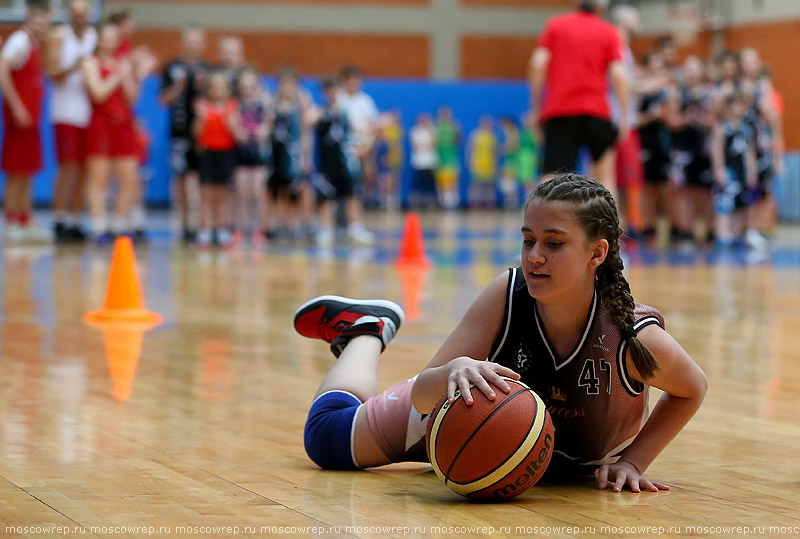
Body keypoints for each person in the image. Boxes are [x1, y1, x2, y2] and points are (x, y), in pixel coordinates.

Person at [294, 174, 708, 493]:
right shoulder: (508, 294)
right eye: (528, 240)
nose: (535, 256)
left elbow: (692, 387)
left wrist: (634, 462)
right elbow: (424, 394)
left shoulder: (631, 336)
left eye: (554, 243)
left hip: (523, 453)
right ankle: (367, 331)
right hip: (465, 419)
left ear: (596, 253)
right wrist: (454, 369)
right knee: (325, 438)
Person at [529, 0, 628, 202]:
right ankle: (608, 232)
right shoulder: (609, 31)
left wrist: (536, 108)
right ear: (601, 7)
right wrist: (625, 118)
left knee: (553, 178)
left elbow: (537, 64)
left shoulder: (556, 25)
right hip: (597, 112)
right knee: (604, 177)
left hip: (560, 111)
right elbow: (619, 76)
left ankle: (547, 231)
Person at [82, 22, 143, 245]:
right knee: (100, 177)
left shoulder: (123, 63)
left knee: (130, 177)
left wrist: (133, 74)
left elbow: (132, 98)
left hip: (124, 124)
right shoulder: (90, 63)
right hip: (101, 123)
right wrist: (118, 74)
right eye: (106, 37)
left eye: (114, 37)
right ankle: (98, 226)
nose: (111, 41)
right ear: (98, 39)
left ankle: (118, 223)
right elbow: (98, 93)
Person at [0, 0, 51, 244]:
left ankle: (23, 218)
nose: (42, 24)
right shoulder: (19, 41)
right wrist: (17, 105)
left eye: (45, 20)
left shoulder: (34, 44)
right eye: (38, 20)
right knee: (16, 171)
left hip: (31, 118)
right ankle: (10, 221)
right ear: (29, 19)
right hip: (20, 118)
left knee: (27, 170)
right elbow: (2, 68)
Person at [46, 0, 97, 242]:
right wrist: (75, 66)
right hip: (65, 112)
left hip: (89, 113)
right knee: (67, 167)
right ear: (69, 14)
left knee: (86, 168)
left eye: (84, 13)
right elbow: (52, 74)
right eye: (76, 13)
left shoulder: (93, 37)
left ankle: (75, 220)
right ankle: (58, 219)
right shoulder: (59, 35)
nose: (80, 17)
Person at [160, 27, 209, 243]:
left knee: (198, 180)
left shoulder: (207, 69)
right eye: (189, 40)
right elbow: (163, 100)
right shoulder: (172, 67)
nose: (193, 45)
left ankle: (197, 224)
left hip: (202, 135)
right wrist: (177, 87)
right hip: (178, 133)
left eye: (197, 41)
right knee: (180, 179)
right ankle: (182, 224)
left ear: (203, 44)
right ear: (182, 43)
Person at [313, 76, 365, 247]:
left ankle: (355, 228)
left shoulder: (345, 113)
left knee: (351, 195)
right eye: (329, 90)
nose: (333, 93)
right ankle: (325, 228)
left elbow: (356, 131)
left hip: (345, 161)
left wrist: (360, 147)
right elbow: (308, 119)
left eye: (336, 89)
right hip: (327, 163)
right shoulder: (320, 112)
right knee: (325, 197)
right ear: (324, 92)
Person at [193, 71, 240, 247]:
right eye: (215, 87)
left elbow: (237, 135)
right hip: (208, 153)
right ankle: (205, 229)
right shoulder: (203, 106)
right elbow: (196, 134)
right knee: (206, 194)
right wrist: (201, 118)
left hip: (225, 153)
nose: (219, 90)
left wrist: (231, 123)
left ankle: (222, 229)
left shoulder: (232, 106)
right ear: (210, 90)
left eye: (222, 87)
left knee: (222, 195)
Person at [232, 67, 271, 247]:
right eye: (244, 86)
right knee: (242, 192)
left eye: (251, 86)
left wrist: (263, 131)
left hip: (258, 154)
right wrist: (238, 132)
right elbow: (233, 125)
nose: (247, 90)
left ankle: (259, 229)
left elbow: (268, 124)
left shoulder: (263, 105)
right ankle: (240, 228)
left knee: (257, 192)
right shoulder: (236, 106)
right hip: (241, 154)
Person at [467, 115, 497, 209]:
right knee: (476, 185)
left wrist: (495, 162)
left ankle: (489, 203)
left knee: (489, 185)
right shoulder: (475, 135)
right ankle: (475, 203)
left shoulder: (492, 136)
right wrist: (469, 161)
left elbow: (495, 151)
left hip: (489, 163)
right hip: (477, 163)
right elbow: (470, 149)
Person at [434, 105, 461, 210]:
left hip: (451, 159)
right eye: (442, 113)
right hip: (439, 159)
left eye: (446, 113)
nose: (444, 116)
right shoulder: (435, 126)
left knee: (452, 182)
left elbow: (457, 143)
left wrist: (458, 134)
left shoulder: (454, 126)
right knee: (441, 183)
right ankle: (442, 202)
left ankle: (451, 203)